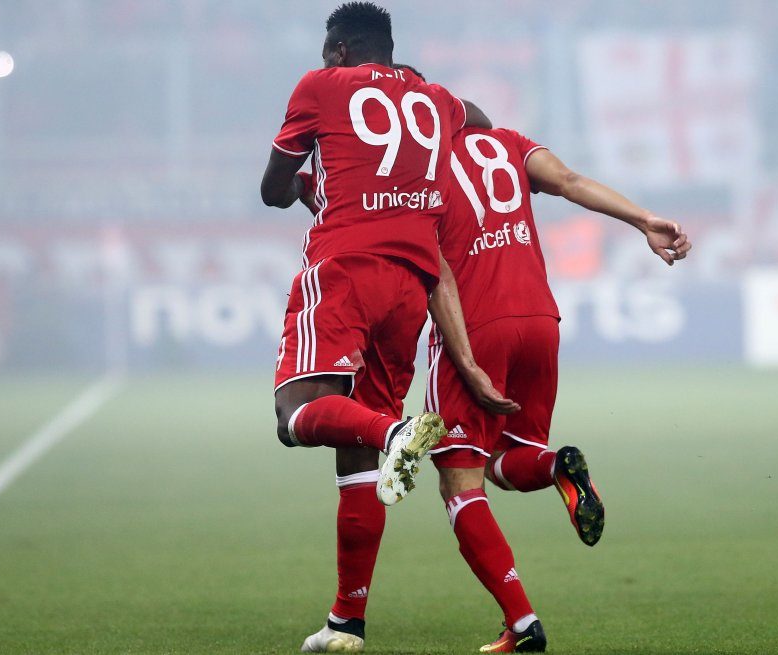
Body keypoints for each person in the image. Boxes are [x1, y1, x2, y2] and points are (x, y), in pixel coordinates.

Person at [407, 66, 693, 655]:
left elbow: (435, 271)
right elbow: (568, 179)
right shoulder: (507, 144)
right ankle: (560, 468)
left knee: (459, 480)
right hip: (540, 319)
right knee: (509, 457)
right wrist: (643, 219)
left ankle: (521, 624)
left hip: (475, 326)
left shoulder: (416, 172)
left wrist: (464, 358)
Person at [258, 5, 496, 653]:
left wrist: (304, 184)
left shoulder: (321, 85)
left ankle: (395, 432)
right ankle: (346, 622)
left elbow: (272, 189)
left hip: (345, 268)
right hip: (412, 283)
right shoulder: (436, 98)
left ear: (338, 51)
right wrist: (412, 89)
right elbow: (479, 118)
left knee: (294, 414)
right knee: (356, 451)